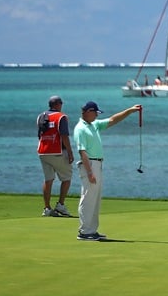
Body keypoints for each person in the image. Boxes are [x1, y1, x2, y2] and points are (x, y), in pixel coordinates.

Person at [72, 101, 141, 241]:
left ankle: (92, 230)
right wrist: (90, 172)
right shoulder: (80, 128)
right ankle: (84, 231)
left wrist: (130, 110)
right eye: (95, 113)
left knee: (95, 199)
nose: (96, 116)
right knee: (88, 198)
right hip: (89, 164)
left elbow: (112, 120)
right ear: (88, 112)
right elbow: (82, 152)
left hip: (97, 164)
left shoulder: (94, 125)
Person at [36, 95, 73, 217]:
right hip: (57, 151)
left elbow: (39, 135)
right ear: (57, 104)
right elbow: (64, 136)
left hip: (43, 151)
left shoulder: (41, 116)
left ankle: (47, 208)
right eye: (61, 103)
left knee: (48, 179)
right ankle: (60, 205)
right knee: (66, 178)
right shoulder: (61, 117)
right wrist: (70, 152)